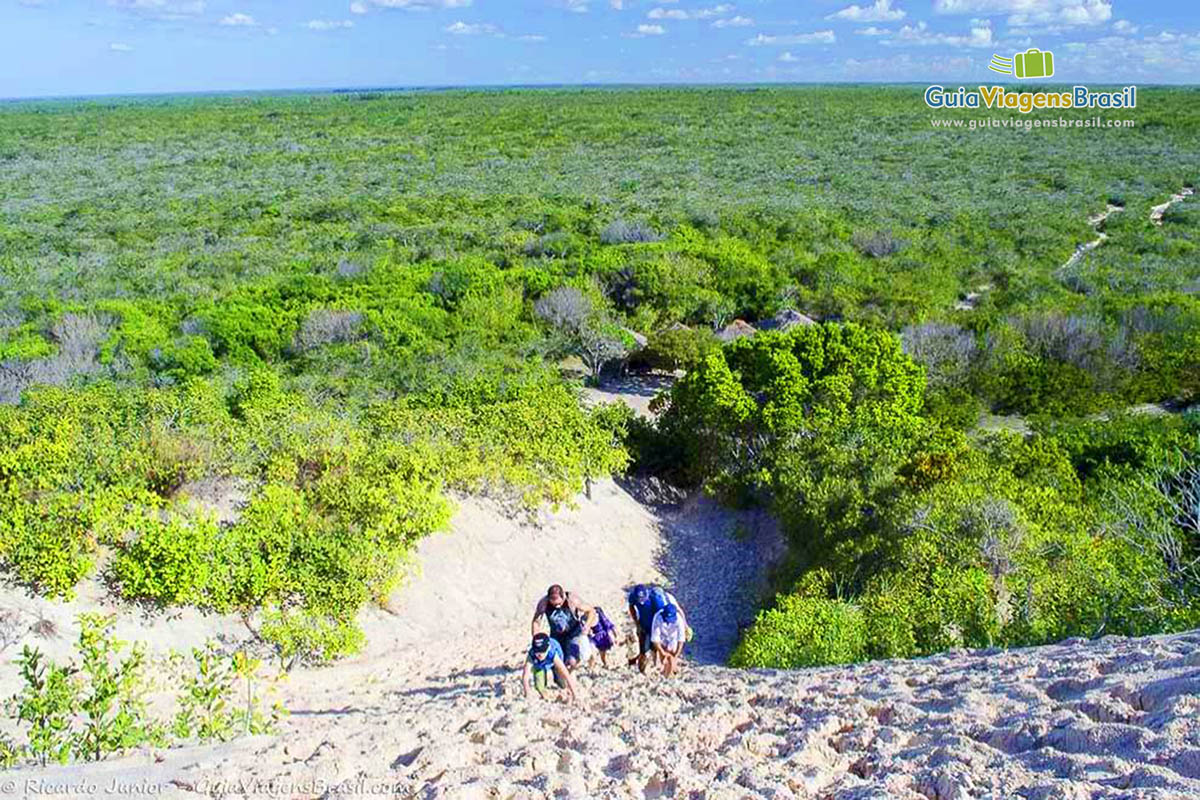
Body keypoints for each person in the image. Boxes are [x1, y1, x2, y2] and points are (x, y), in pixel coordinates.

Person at [531, 584, 597, 669]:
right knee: (558, 662)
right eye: (554, 604)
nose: (557, 606)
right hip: (557, 635)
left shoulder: (572, 600)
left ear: (563, 597)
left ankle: (589, 659)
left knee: (572, 661)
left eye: (559, 604)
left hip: (574, 632)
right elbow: (536, 621)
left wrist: (587, 626)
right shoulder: (544, 603)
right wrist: (536, 638)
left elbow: (591, 610)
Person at [627, 583, 686, 674]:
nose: (641, 602)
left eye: (643, 599)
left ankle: (665, 668)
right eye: (639, 600)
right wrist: (636, 622)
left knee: (657, 650)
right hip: (644, 625)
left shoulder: (656, 600)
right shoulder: (633, 597)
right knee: (643, 650)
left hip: (656, 626)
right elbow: (631, 606)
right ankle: (641, 670)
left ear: (647, 594)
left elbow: (662, 616)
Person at [521, 633, 581, 703]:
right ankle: (546, 697)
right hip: (539, 665)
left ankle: (567, 693)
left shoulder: (553, 654)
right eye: (537, 651)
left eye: (543, 651)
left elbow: (566, 675)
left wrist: (575, 694)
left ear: (548, 648)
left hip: (553, 660)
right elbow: (525, 676)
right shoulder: (532, 655)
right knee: (539, 685)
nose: (540, 655)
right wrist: (527, 693)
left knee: (562, 683)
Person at [651, 603, 687, 678]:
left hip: (673, 636)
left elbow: (681, 639)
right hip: (662, 636)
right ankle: (665, 673)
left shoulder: (679, 619)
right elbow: (655, 638)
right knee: (664, 657)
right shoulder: (657, 617)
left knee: (672, 654)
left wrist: (676, 655)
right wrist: (662, 652)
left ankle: (673, 671)